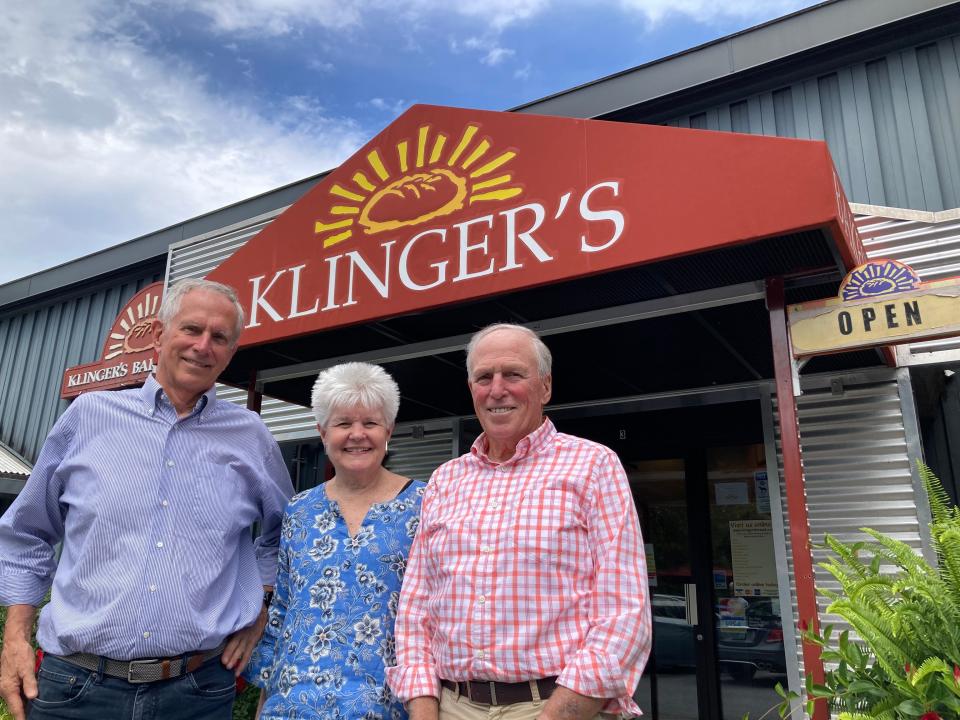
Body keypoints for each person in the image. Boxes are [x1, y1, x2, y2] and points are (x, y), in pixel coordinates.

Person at [0, 278, 294, 720]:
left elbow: (289, 535)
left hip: (196, 693)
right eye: (191, 329)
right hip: (77, 690)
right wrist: (16, 638)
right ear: (159, 335)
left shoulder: (250, 437)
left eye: (219, 338)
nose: (203, 346)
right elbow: (27, 532)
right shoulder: (89, 416)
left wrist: (261, 614)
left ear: (231, 353)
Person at [386, 323, 652, 720]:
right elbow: (416, 608)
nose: (497, 389)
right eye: (483, 377)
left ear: (545, 387)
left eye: (513, 374)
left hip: (553, 706)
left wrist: (555, 715)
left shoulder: (593, 466)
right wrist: (424, 708)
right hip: (452, 707)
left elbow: (624, 613)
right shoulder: (445, 480)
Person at [246, 362, 426, 720]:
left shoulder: (425, 504)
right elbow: (283, 612)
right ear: (322, 431)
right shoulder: (300, 510)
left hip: (386, 707)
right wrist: (263, 705)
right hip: (293, 707)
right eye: (343, 423)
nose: (357, 434)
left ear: (388, 430)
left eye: (370, 423)